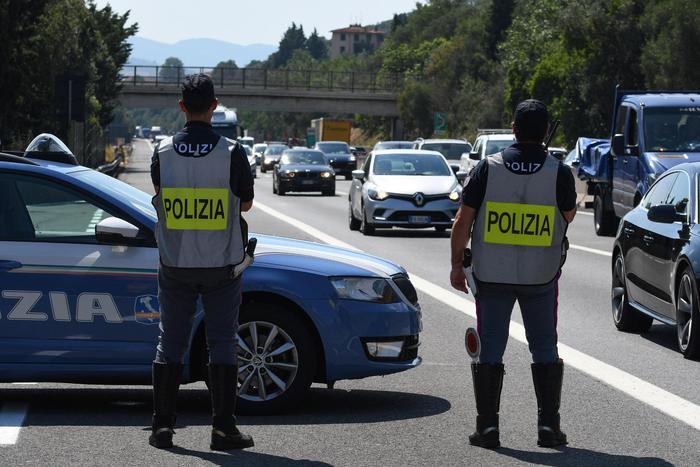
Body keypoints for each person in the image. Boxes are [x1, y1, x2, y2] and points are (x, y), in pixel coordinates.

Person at [450, 99, 577, 449]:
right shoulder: (559, 171)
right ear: (546, 130)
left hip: (492, 276)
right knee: (544, 347)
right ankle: (549, 429)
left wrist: (456, 264)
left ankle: (488, 429)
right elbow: (567, 216)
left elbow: (463, 222)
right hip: (541, 276)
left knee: (490, 350)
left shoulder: (487, 169)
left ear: (514, 128)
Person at [149, 74, 255, 451]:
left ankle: (162, 428)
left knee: (170, 342)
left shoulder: (161, 153)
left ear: (182, 107)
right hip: (221, 264)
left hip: (175, 261)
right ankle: (223, 430)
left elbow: (161, 197)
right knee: (222, 342)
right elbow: (244, 204)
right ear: (214, 106)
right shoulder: (232, 152)